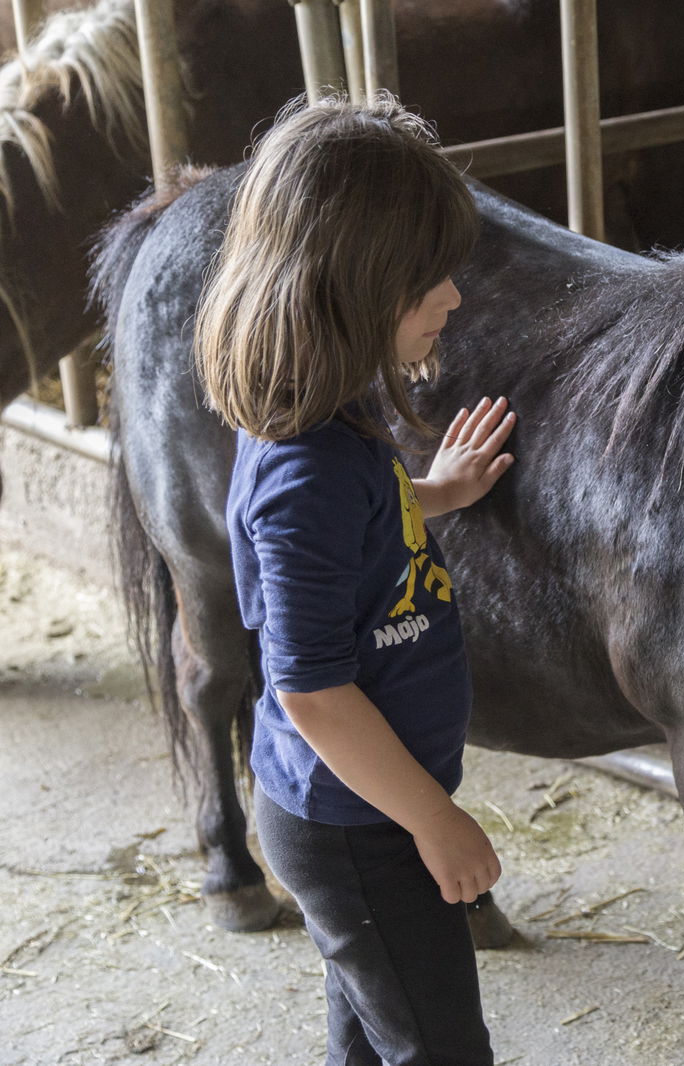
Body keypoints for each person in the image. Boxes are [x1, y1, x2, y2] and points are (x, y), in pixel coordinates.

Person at [196, 93, 514, 1066]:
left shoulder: (333, 416)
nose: (452, 298)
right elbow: (312, 688)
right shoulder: (309, 462)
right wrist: (438, 820)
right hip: (359, 830)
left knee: (376, 1046)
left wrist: (429, 493)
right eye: (427, 281)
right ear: (352, 284)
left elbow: (349, 533)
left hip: (360, 816)